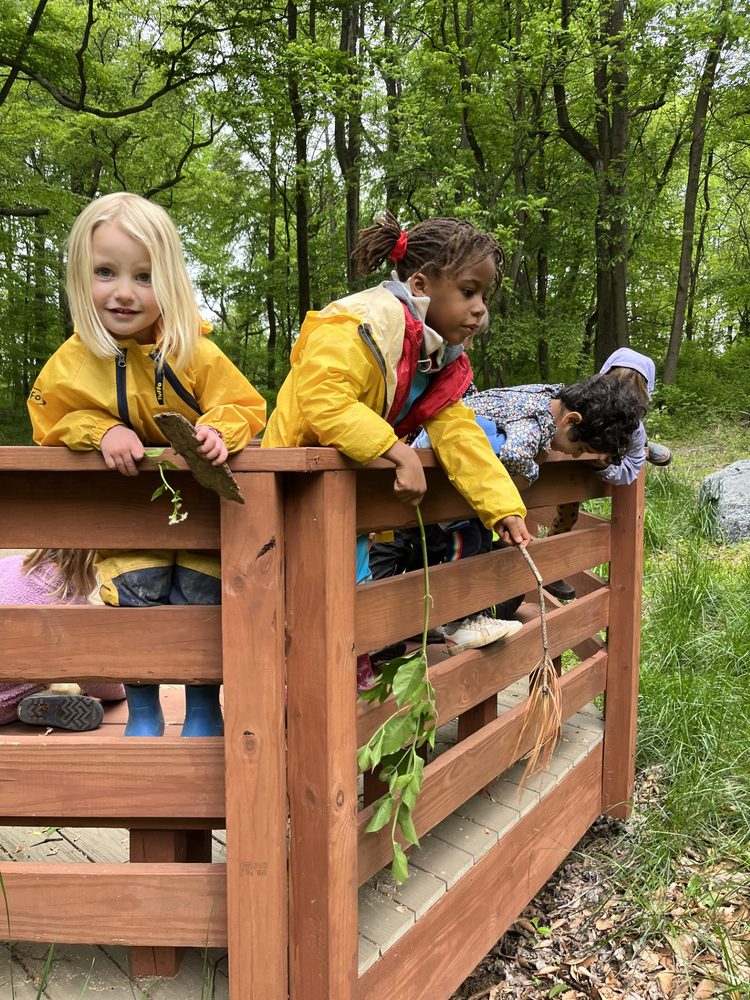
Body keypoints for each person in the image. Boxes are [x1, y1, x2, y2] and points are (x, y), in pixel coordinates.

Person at [27, 192, 266, 735]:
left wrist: (218, 431)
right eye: (106, 272)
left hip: (200, 516)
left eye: (144, 276)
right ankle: (144, 712)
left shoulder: (192, 352)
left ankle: (204, 709)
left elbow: (246, 406)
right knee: (135, 600)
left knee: (201, 604)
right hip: (127, 517)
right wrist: (100, 430)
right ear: (81, 278)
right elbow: (49, 420)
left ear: (171, 283)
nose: (124, 292)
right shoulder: (73, 358)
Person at [262, 211, 532, 686]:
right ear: (422, 285)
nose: (480, 309)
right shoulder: (360, 323)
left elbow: (460, 437)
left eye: (484, 296)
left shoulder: (435, 361)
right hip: (292, 490)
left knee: (353, 604)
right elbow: (322, 398)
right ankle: (298, 704)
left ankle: (352, 697)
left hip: (350, 500)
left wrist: (503, 509)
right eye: (469, 292)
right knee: (297, 606)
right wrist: (399, 452)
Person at [370, 374, 644, 648]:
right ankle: (461, 621)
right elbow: (515, 456)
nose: (574, 456)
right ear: (570, 420)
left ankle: (423, 622)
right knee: (469, 545)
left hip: (446, 462)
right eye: (580, 448)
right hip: (449, 471)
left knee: (432, 547)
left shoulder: (543, 394)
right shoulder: (536, 423)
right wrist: (533, 470)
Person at [545, 348, 669, 600]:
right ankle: (550, 565)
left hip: (597, 461)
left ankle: (551, 565)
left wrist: (603, 465)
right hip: (569, 462)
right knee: (567, 511)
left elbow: (629, 472)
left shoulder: (633, 427)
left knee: (567, 514)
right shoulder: (580, 401)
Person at [0, 549, 126, 731]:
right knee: (65, 676)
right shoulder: (74, 610)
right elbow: (106, 687)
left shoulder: (9, 565)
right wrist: (122, 689)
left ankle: (51, 695)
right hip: (4, 706)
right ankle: (53, 696)